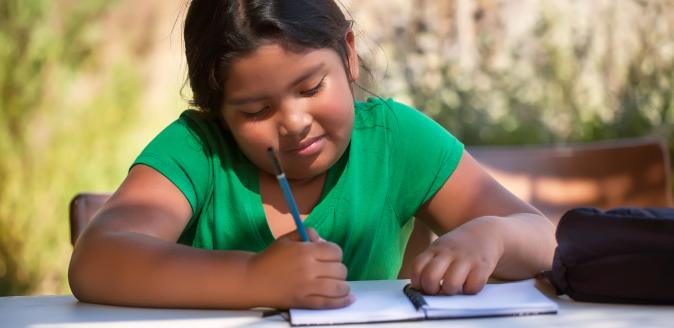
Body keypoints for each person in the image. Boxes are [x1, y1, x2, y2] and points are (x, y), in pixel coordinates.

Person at [68, 0, 556, 310]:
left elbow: (547, 242)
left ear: (347, 53)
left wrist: (492, 235)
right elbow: (95, 261)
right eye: (256, 109)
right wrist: (254, 279)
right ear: (215, 112)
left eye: (311, 86)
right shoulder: (198, 149)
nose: (294, 122)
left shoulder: (395, 139)